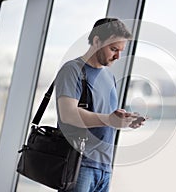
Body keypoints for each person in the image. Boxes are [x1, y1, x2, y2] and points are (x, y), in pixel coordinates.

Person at [55, 18, 145, 192]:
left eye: (121, 51)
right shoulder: (72, 69)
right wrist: (110, 120)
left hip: (104, 166)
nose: (118, 56)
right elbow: (68, 114)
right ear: (96, 41)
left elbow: (105, 117)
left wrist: (125, 120)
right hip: (80, 165)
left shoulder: (109, 77)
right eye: (113, 49)